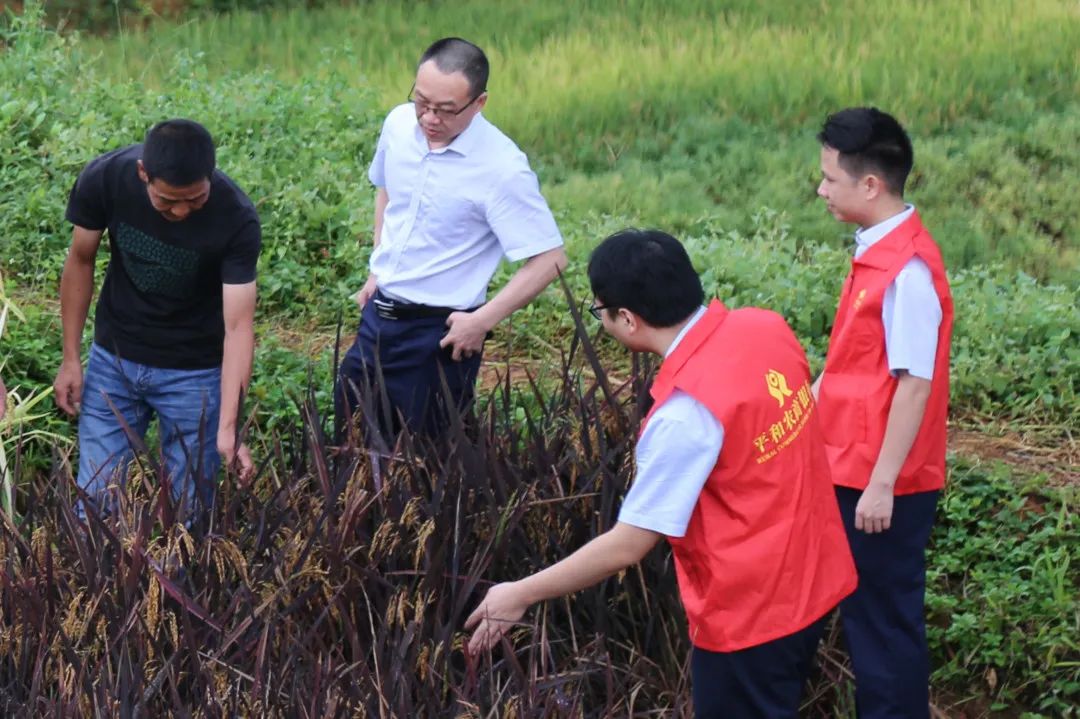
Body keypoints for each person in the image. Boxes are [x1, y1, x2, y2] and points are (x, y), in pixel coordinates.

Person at [466, 229, 857, 718]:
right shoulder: (765, 327)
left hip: (751, 614)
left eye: (600, 312)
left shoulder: (686, 413)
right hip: (816, 576)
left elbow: (630, 544)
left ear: (627, 319)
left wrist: (519, 593)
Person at [337, 37, 567, 440]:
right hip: (377, 320)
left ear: (479, 104)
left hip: (439, 336)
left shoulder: (501, 168)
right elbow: (388, 192)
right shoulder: (397, 124)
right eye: (422, 102)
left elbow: (551, 258)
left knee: (427, 466)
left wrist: (481, 321)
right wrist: (378, 267)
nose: (428, 118)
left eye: (445, 110)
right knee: (349, 439)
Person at [813, 107, 954, 718]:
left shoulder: (908, 270)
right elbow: (848, 364)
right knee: (869, 622)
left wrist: (881, 486)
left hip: (879, 483)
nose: (820, 189)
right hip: (852, 465)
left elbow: (915, 386)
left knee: (884, 629)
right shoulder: (879, 253)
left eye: (828, 178)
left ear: (870, 184)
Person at [54, 118, 260, 517]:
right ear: (143, 174)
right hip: (113, 359)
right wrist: (71, 358)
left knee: (188, 512)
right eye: (167, 201)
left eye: (195, 199)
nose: (181, 210)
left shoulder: (236, 217)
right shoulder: (107, 178)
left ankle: (177, 581)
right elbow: (81, 260)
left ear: (210, 178)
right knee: (96, 503)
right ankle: (96, 580)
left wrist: (228, 427)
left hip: (194, 374)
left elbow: (238, 326)